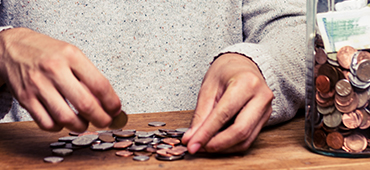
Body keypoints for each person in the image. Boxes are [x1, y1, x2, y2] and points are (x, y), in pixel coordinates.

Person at [0, 0, 306, 154]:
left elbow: (295, 27)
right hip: (26, 156)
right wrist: (3, 47)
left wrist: (258, 64)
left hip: (209, 157)